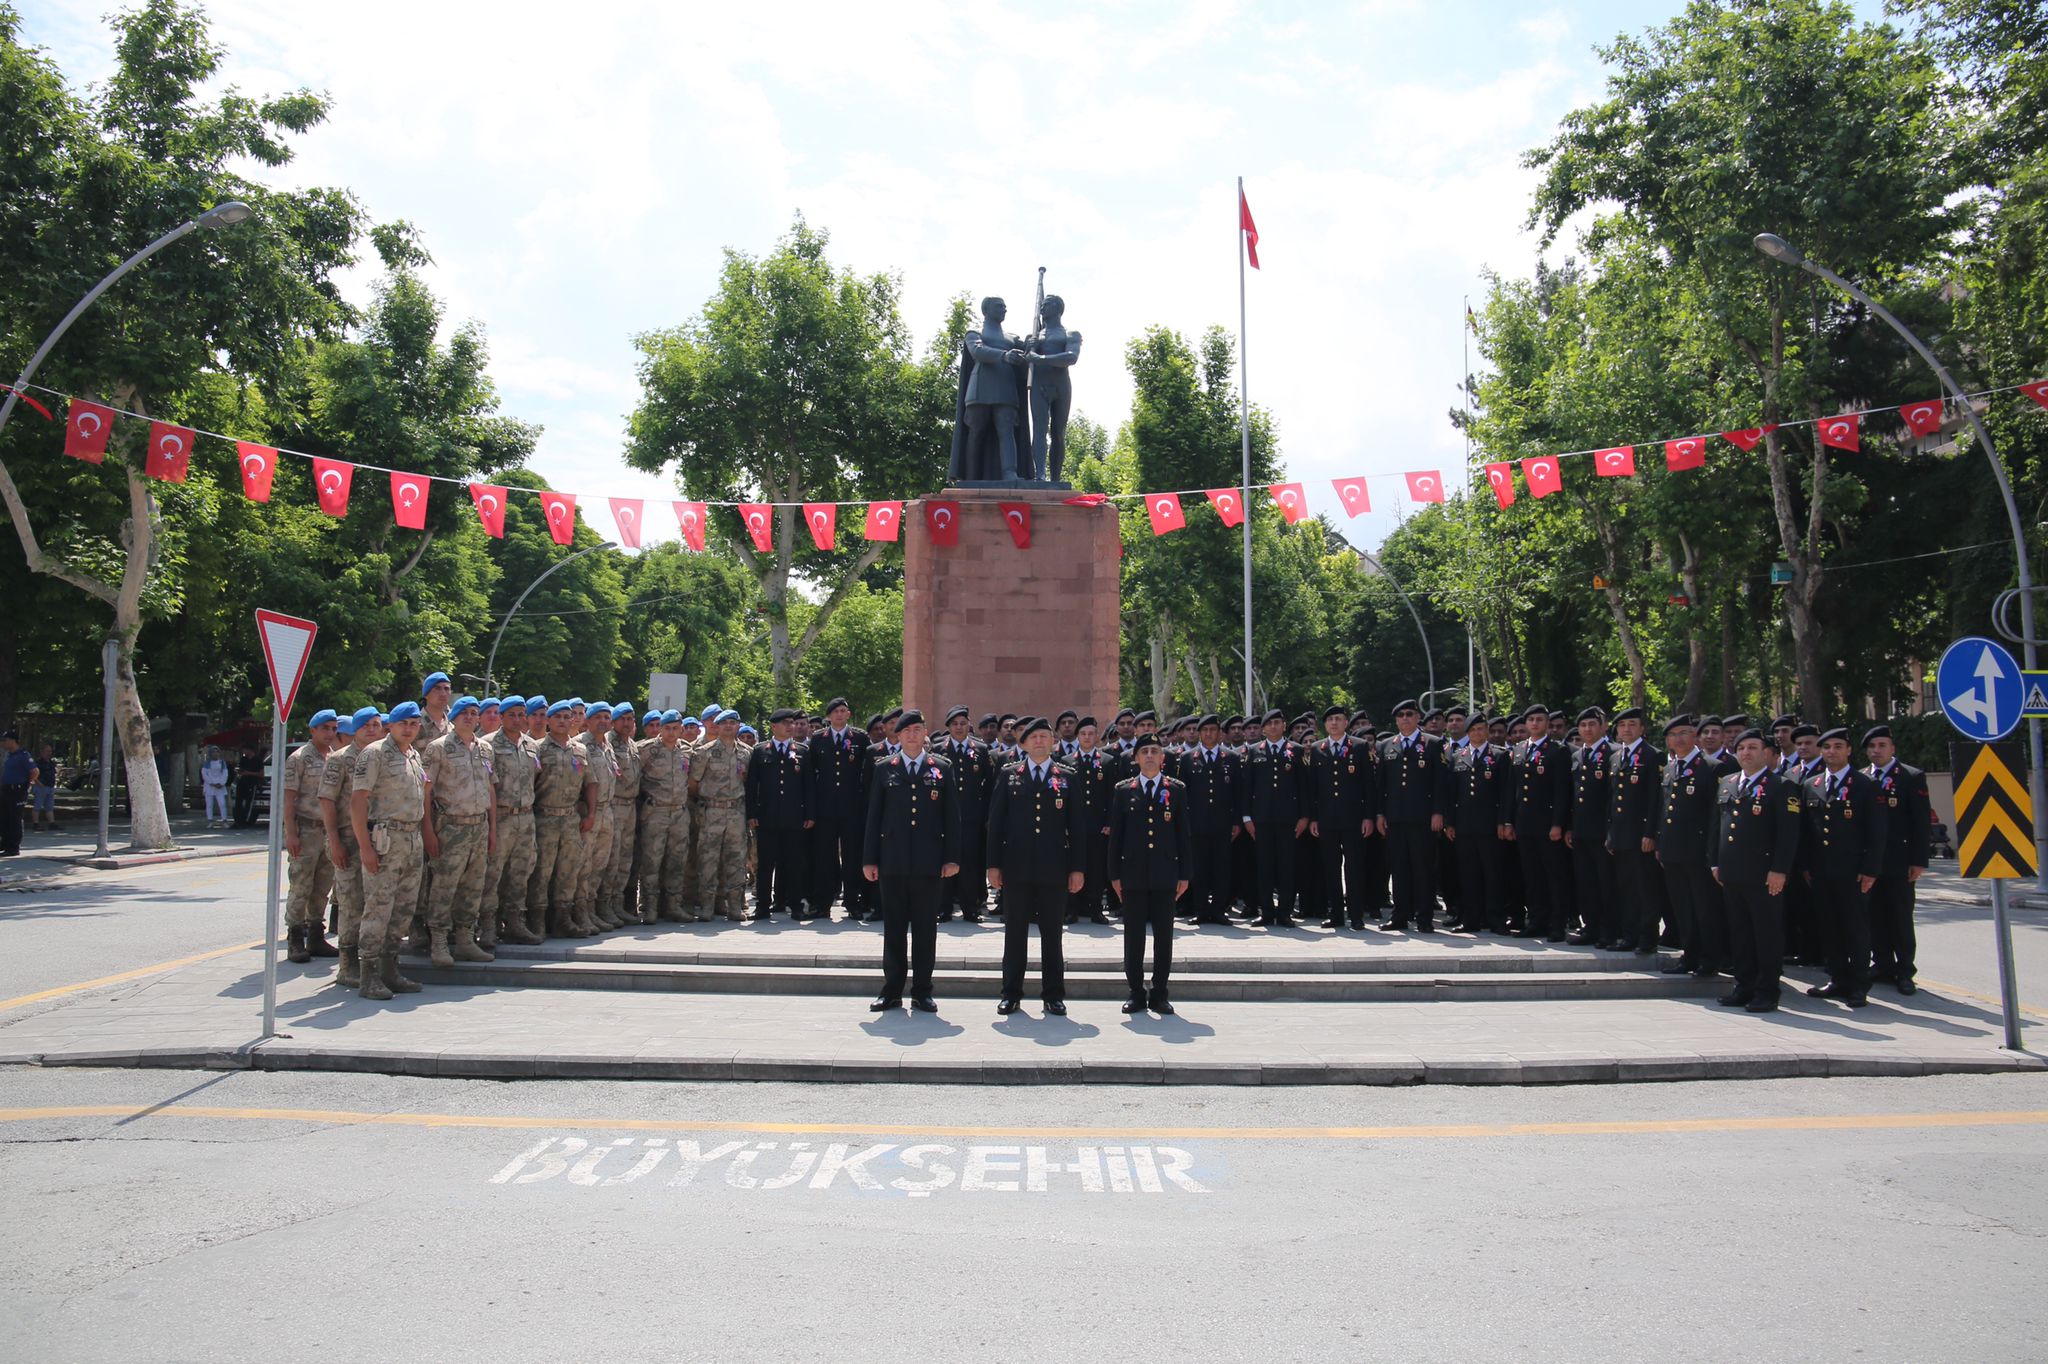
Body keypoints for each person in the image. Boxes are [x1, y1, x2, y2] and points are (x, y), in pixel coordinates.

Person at [985, 717, 1085, 1015]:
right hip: (1016, 868)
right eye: (1034, 737)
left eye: (1045, 736)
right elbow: (996, 824)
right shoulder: (1008, 774)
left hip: (1054, 869)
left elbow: (1077, 827)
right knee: (1014, 933)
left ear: (1053, 742)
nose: (1040, 741)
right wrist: (993, 866)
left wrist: (1077, 868)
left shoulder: (1067, 776)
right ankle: (1011, 992)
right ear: (1024, 743)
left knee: (1052, 934)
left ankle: (1053, 994)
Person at [862, 710, 960, 1012]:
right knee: (893, 928)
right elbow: (873, 817)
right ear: (898, 736)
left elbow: (951, 818)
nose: (913, 735)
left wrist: (952, 857)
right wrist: (870, 859)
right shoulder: (884, 768)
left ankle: (922, 990)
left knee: (925, 929)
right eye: (907, 731)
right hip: (892, 861)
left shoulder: (941, 767)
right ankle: (891, 989)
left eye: (918, 730)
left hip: (928, 863)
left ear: (925, 733)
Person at [1712, 728, 1803, 1013]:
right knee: (1739, 933)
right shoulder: (1727, 783)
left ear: (1765, 753)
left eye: (1752, 748)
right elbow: (1719, 827)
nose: (1746, 753)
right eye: (1741, 749)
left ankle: (1767, 990)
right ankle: (1744, 985)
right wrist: (1715, 862)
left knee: (1766, 934)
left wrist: (1780, 870)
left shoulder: (1781, 786)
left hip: (1764, 876)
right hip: (1732, 874)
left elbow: (1789, 835)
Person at [1801, 727, 1886, 1008]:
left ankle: (1859, 984)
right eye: (1826, 747)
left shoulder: (1865, 784)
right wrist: (1806, 866)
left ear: (1849, 750)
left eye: (1838, 746)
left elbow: (1876, 832)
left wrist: (1871, 869)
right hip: (1821, 872)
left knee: (1855, 928)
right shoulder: (1812, 784)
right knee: (1829, 927)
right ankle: (1837, 978)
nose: (1831, 752)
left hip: (1853, 872)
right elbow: (1807, 831)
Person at [1107, 733, 1192, 1014]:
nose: (1150, 756)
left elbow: (1184, 835)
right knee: (1134, 935)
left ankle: (1160, 992)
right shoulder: (1123, 790)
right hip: (1132, 873)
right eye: (1144, 751)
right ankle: (1135, 991)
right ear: (1136, 758)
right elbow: (1116, 837)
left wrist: (1185, 874)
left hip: (1165, 873)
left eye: (1155, 751)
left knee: (1164, 935)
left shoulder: (1176, 789)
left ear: (1163, 757)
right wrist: (1114, 875)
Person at [349, 701, 428, 1002]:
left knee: (404, 908)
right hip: (385, 838)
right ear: (390, 726)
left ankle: (390, 969)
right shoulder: (375, 754)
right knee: (379, 908)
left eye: (414, 723)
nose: (409, 728)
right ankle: (368, 975)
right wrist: (365, 847)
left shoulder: (413, 755)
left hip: (411, 838)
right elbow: (358, 801)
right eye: (403, 723)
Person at [421, 695, 498, 967]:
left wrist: (492, 830)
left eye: (474, 713)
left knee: (474, 885)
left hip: (479, 825)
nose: (470, 716)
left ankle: (466, 939)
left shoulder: (484, 749)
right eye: (464, 712)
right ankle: (439, 941)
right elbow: (426, 792)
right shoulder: (437, 748)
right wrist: (428, 831)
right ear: (453, 717)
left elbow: (490, 790)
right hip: (450, 826)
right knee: (444, 885)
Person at [1863, 724, 1931, 996]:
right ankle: (1881, 964)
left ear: (1892, 748)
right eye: (1871, 746)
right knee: (1874, 916)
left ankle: (1904, 970)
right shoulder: (1861, 778)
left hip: (1899, 861)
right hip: (1870, 864)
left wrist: (1918, 860)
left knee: (1900, 916)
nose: (1876, 751)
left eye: (1881, 745)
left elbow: (1920, 822)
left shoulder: (1911, 777)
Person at [1656, 715, 1723, 979]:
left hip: (1699, 853)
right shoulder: (1671, 767)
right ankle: (1690, 954)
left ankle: (1710, 958)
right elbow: (1665, 808)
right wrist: (1661, 842)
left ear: (1694, 735)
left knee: (1704, 908)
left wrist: (1712, 853)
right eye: (1673, 735)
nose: (1678, 739)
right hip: (1673, 852)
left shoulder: (1711, 767)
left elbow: (1715, 816)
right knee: (1682, 907)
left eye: (1683, 733)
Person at [320, 708, 383, 987]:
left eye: (376, 725)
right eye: (366, 725)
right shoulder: (339, 759)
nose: (372, 729)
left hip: (377, 838)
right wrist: (334, 841)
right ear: (355, 729)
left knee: (374, 903)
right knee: (351, 902)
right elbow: (327, 801)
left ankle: (371, 961)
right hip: (347, 837)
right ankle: (347, 965)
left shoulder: (382, 755)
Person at [1378, 700, 1447, 932]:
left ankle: (1424, 917)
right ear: (1396, 720)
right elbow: (1381, 785)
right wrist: (1380, 814)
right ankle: (1400, 915)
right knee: (1399, 869)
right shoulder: (1386, 745)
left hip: (1423, 818)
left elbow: (1440, 783)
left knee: (1423, 869)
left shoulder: (1433, 743)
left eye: (1409, 714)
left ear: (1418, 717)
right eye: (1400, 715)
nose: (1405, 718)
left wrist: (1438, 812)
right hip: (1395, 818)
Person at [1307, 705, 1376, 931]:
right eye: (1329, 720)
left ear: (1346, 723)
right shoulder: (1318, 749)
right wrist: (1314, 818)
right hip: (1327, 820)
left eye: (1338, 719)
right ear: (1324, 725)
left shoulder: (1359, 746)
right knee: (1331, 867)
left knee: (1354, 867)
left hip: (1353, 819)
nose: (1334, 723)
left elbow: (1368, 785)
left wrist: (1368, 817)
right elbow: (1313, 790)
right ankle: (1336, 914)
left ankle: (1356, 915)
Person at [1508, 704, 1573, 941]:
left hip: (1548, 825)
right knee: (1532, 876)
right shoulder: (1517, 750)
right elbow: (1511, 790)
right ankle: (1536, 921)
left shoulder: (1557, 751)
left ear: (1546, 723)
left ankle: (1557, 924)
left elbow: (1561, 792)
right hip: (1524, 824)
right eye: (1531, 720)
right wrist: (1508, 821)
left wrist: (1558, 823)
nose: (1535, 724)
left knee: (1554, 876)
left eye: (1539, 720)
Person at [282, 709, 342, 963]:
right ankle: (296, 937)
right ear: (313, 730)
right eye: (325, 728)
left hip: (328, 830)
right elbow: (288, 799)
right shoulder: (300, 758)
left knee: (322, 887)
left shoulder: (335, 757)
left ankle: (316, 935)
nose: (330, 733)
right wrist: (291, 834)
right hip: (306, 829)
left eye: (333, 729)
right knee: (301, 885)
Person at [1603, 707, 1664, 952]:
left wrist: (1650, 833)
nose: (1626, 729)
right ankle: (1629, 935)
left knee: (1645, 888)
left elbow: (1654, 799)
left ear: (1641, 728)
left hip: (1641, 836)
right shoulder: (1616, 757)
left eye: (1632, 724)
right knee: (1626, 887)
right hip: (1621, 835)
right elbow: (1612, 799)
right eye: (1622, 725)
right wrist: (1610, 833)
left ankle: (1647, 938)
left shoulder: (1652, 756)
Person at [529, 700, 591, 938]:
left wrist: (591, 812)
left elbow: (590, 783)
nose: (564, 721)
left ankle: (563, 919)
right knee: (542, 873)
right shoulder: (537, 748)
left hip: (570, 819)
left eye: (568, 717)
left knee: (568, 872)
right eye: (558, 717)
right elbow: (529, 784)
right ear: (548, 721)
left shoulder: (579, 749)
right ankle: (538, 921)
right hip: (545, 817)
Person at [746, 708, 816, 922]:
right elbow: (752, 786)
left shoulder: (802, 751)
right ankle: (763, 906)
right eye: (785, 723)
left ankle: (794, 905)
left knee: (794, 863)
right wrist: (751, 813)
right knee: (766, 864)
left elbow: (809, 786)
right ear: (773, 726)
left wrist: (810, 813)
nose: (790, 726)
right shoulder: (760, 751)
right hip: (767, 817)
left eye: (792, 722)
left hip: (794, 817)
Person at [1444, 713, 1510, 934]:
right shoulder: (1458, 756)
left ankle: (1495, 919)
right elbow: (1451, 794)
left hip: (1490, 826)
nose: (1477, 733)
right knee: (1468, 874)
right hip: (1464, 826)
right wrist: (1450, 823)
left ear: (1487, 731)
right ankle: (1470, 919)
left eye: (1481, 729)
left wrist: (1504, 821)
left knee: (1493, 874)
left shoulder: (1499, 756)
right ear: (1467, 733)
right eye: (1473, 730)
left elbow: (1505, 794)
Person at [1243, 708, 1308, 927]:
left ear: (1283, 725)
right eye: (1269, 724)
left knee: (1286, 867)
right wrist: (1246, 818)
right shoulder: (1253, 751)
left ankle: (1285, 913)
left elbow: (1304, 788)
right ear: (1263, 728)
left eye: (1277, 723)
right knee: (1264, 868)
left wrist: (1304, 817)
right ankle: (1267, 912)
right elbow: (1246, 787)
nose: (1273, 727)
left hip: (1288, 820)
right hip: (1261, 820)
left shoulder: (1296, 751)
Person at [1180, 715, 1243, 926]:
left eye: (1213, 730)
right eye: (1204, 730)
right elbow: (1183, 794)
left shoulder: (1231, 758)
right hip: (1196, 824)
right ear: (1199, 733)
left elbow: (1237, 794)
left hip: (1222, 824)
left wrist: (1236, 821)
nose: (1208, 734)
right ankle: (1200, 910)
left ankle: (1218, 910)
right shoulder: (1188, 758)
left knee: (1221, 868)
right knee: (1199, 868)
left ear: (1219, 733)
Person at [809, 697, 866, 921]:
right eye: (835, 712)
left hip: (851, 808)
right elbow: (812, 776)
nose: (840, 715)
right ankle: (822, 903)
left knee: (852, 857)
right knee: (825, 858)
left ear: (848, 714)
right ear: (829, 716)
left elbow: (865, 772)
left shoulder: (859, 738)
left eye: (843, 711)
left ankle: (853, 903)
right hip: (826, 809)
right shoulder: (818, 739)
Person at [691, 710, 751, 923]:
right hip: (712, 812)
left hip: (737, 812)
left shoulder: (746, 753)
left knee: (736, 860)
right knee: (708, 859)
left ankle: (734, 906)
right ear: (716, 726)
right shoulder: (704, 752)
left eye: (732, 722)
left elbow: (749, 784)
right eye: (723, 722)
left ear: (738, 726)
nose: (728, 726)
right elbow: (694, 783)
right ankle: (707, 906)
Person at [635, 709, 694, 922]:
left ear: (681, 729)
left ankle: (673, 906)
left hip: (679, 812)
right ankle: (649, 907)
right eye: (667, 728)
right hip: (655, 812)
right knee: (652, 860)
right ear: (660, 728)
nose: (671, 732)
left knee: (677, 861)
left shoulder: (687, 750)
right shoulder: (646, 749)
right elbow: (634, 779)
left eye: (675, 728)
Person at [938, 706, 993, 924]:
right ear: (948, 727)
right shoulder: (937, 749)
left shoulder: (980, 749)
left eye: (962, 723)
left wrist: (987, 815)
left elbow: (989, 785)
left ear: (969, 724)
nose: (959, 727)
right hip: (944, 818)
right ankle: (943, 908)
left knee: (970, 864)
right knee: (945, 861)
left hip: (972, 817)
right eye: (954, 724)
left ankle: (970, 908)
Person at [1566, 708, 1614, 944]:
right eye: (1583, 725)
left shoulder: (1613, 753)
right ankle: (1591, 927)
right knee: (1586, 883)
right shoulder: (1577, 755)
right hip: (1581, 831)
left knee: (1606, 883)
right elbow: (1573, 796)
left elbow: (1613, 797)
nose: (1587, 729)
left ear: (1603, 726)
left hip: (1602, 832)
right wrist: (1569, 827)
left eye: (1592, 724)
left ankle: (1608, 929)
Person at [1, 731, 30, 857]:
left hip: (17, 790)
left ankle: (13, 847)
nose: (3, 743)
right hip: (6, 790)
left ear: (13, 740)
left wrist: (26, 785)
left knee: (14, 819)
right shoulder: (9, 756)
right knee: (4, 818)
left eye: (5, 740)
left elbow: (34, 771)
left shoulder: (23, 755)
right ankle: (5, 844)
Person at [200, 745, 231, 828]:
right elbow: (204, 774)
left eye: (217, 752)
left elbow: (225, 773)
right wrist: (211, 783)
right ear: (210, 754)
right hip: (209, 786)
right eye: (213, 752)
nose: (215, 754)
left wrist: (221, 783)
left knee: (222, 803)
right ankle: (210, 821)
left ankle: (224, 820)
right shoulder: (207, 763)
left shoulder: (222, 763)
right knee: (209, 804)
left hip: (220, 786)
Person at [233, 744, 263, 827]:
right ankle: (238, 820)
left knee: (248, 803)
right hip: (242, 782)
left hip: (251, 783)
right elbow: (240, 768)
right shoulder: (244, 759)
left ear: (249, 750)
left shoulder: (257, 760)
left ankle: (246, 820)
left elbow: (261, 774)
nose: (243, 752)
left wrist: (248, 773)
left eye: (245, 750)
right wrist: (238, 770)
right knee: (238, 802)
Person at [30, 743, 57, 831]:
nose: (49, 753)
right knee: (37, 806)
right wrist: (38, 782)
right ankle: (35, 824)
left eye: (50, 751)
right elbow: (32, 773)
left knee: (49, 807)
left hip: (50, 787)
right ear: (42, 752)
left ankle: (51, 823)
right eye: (47, 751)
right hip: (40, 787)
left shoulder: (51, 763)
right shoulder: (38, 763)